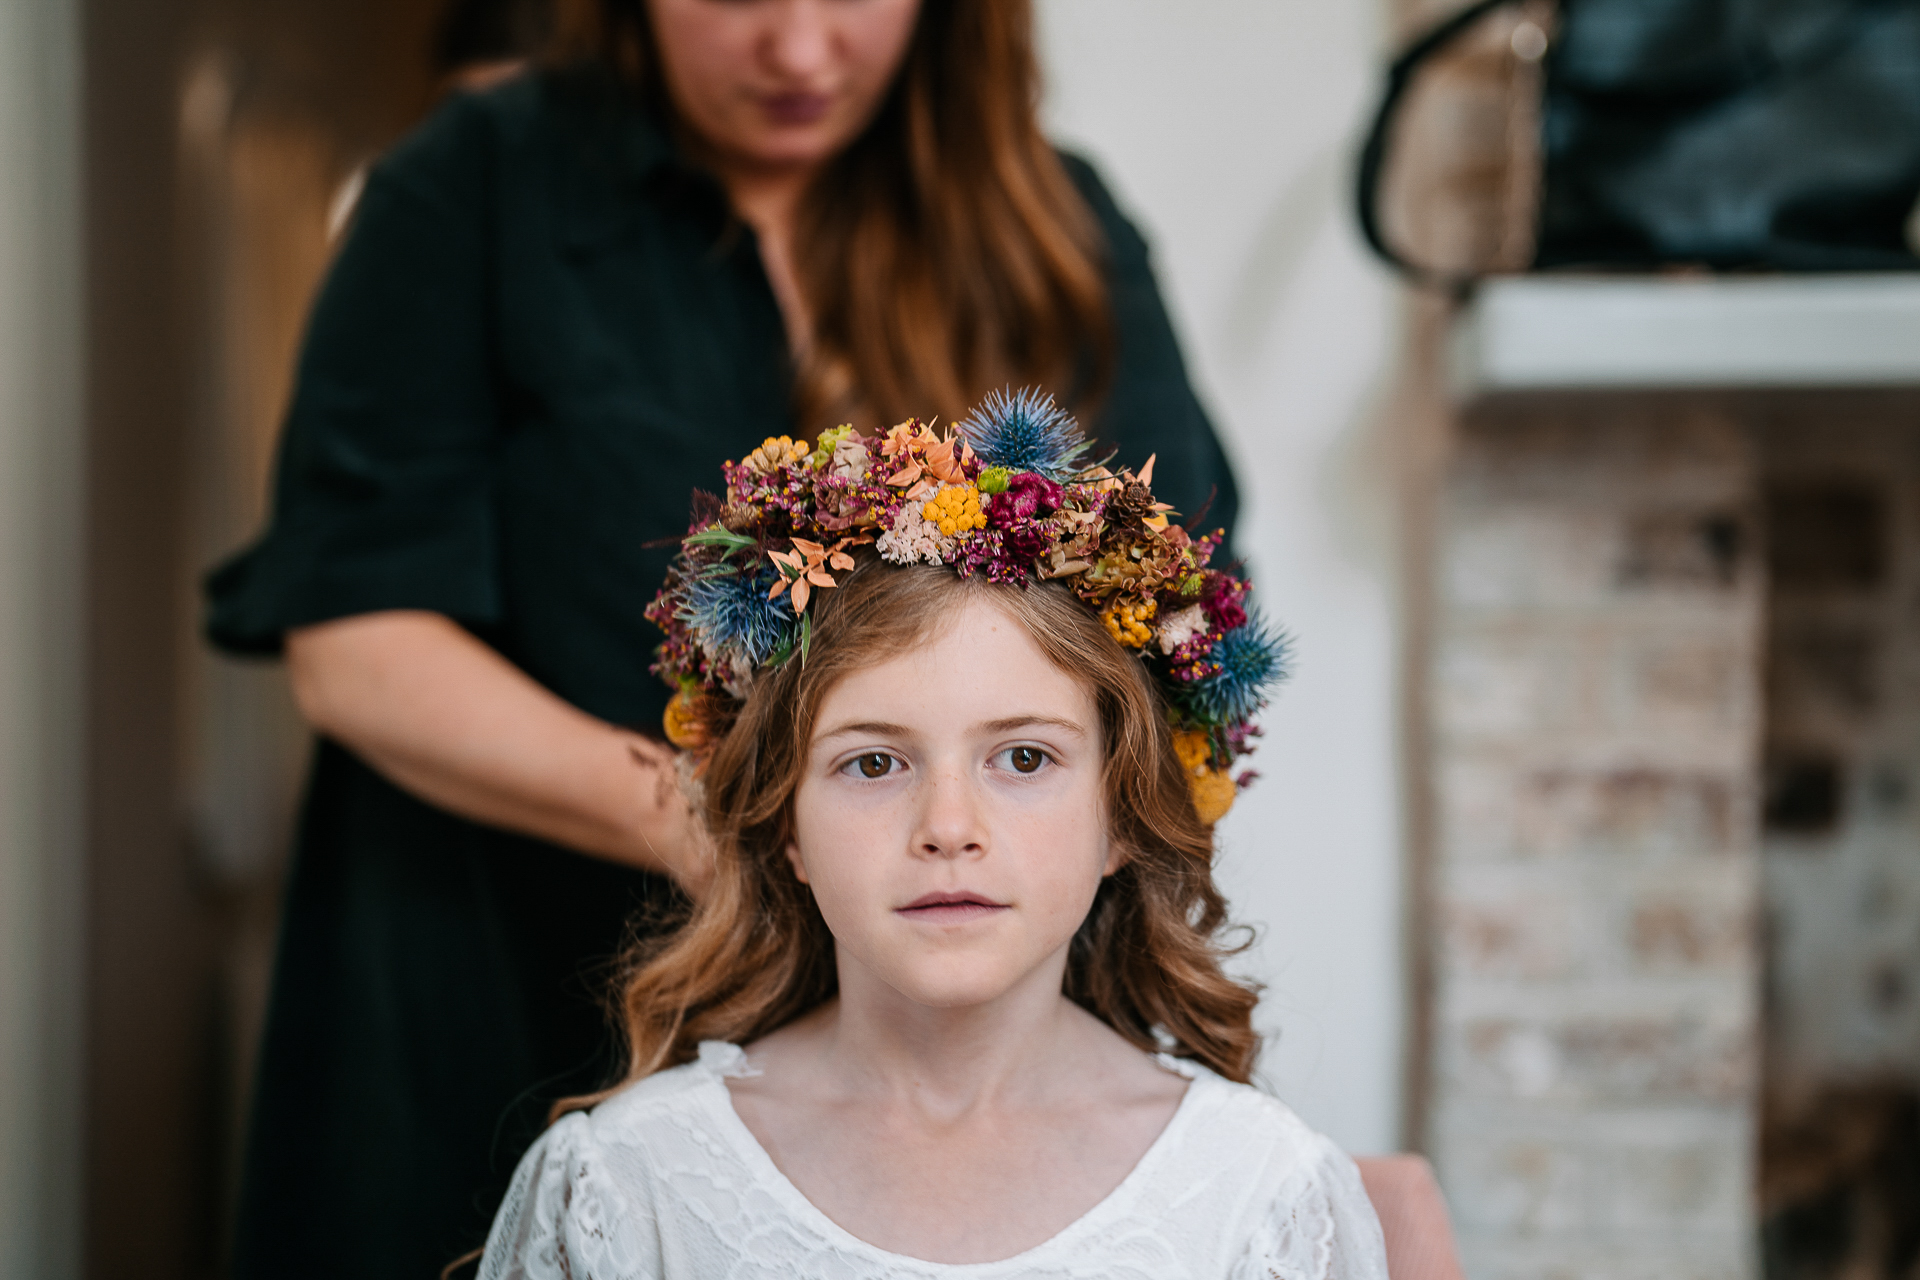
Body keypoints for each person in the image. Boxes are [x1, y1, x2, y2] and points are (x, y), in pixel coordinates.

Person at [205, 0, 1241, 1275]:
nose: (800, 52)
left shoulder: (1056, 226)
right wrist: (729, 820)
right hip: (494, 985)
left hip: (921, 1045)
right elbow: (359, 644)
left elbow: (1171, 617)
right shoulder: (469, 191)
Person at [475, 398, 1380, 1279]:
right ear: (787, 826)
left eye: (1023, 758)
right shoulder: (632, 1182)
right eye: (873, 765)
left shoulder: (1260, 1193)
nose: (949, 829)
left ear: (1122, 817)